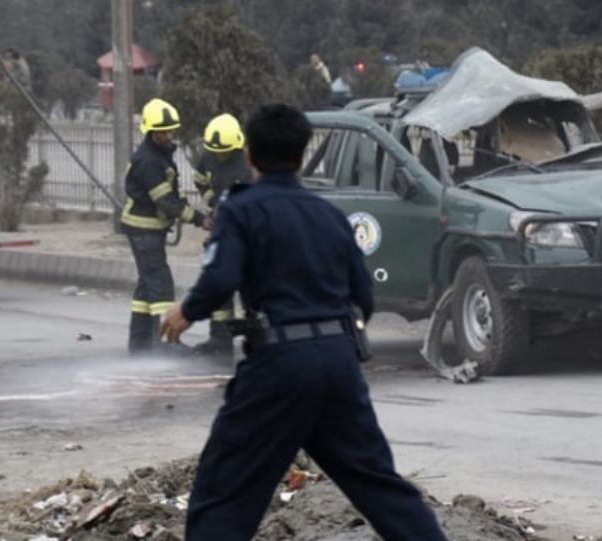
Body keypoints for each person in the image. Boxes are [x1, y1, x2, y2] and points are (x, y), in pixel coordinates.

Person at [160, 104, 450, 541]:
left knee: (224, 489)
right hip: (339, 366)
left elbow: (221, 276)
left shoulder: (241, 209)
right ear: (300, 157)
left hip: (279, 366)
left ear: (251, 155)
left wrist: (187, 311)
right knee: (378, 484)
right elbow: (363, 297)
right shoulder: (329, 215)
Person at [121, 98, 210, 356]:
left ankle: (139, 345)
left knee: (146, 286)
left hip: (146, 228)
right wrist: (199, 219)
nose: (169, 135)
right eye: (163, 131)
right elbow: (166, 201)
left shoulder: (157, 155)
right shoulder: (149, 161)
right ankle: (166, 345)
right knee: (160, 284)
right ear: (151, 131)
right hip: (144, 228)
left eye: (172, 129)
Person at [191, 113, 252, 359]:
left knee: (250, 288)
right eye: (217, 152)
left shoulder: (246, 163)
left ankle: (256, 337)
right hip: (221, 227)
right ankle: (219, 338)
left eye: (225, 152)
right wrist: (212, 202)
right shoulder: (209, 156)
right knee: (219, 283)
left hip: (244, 231)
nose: (220, 156)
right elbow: (200, 181)